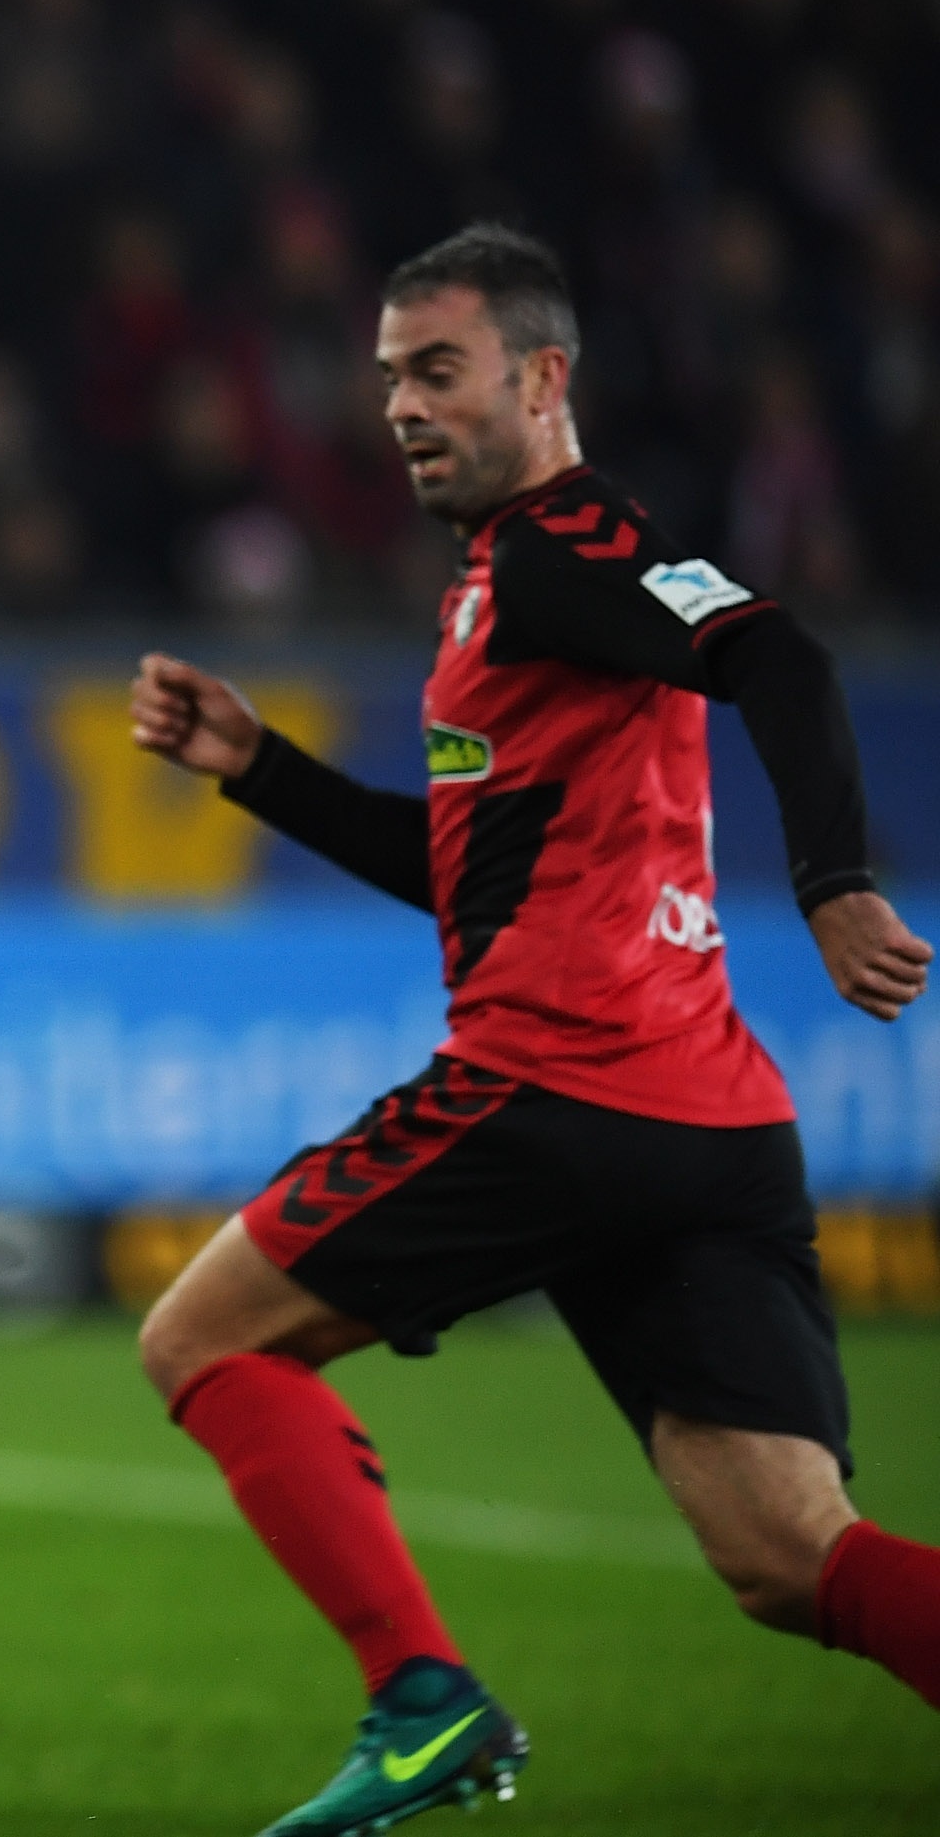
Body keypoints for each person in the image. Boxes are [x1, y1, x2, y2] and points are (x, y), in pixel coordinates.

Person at [128, 222, 940, 1837]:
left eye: (438, 370)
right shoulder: (509, 582)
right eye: (386, 380)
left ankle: (423, 1699)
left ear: (542, 375)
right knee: (792, 1553)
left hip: (561, 1084)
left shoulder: (572, 545)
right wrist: (261, 767)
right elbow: (467, 877)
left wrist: (836, 882)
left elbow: (779, 653)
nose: (403, 408)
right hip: (708, 1125)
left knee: (202, 1338)